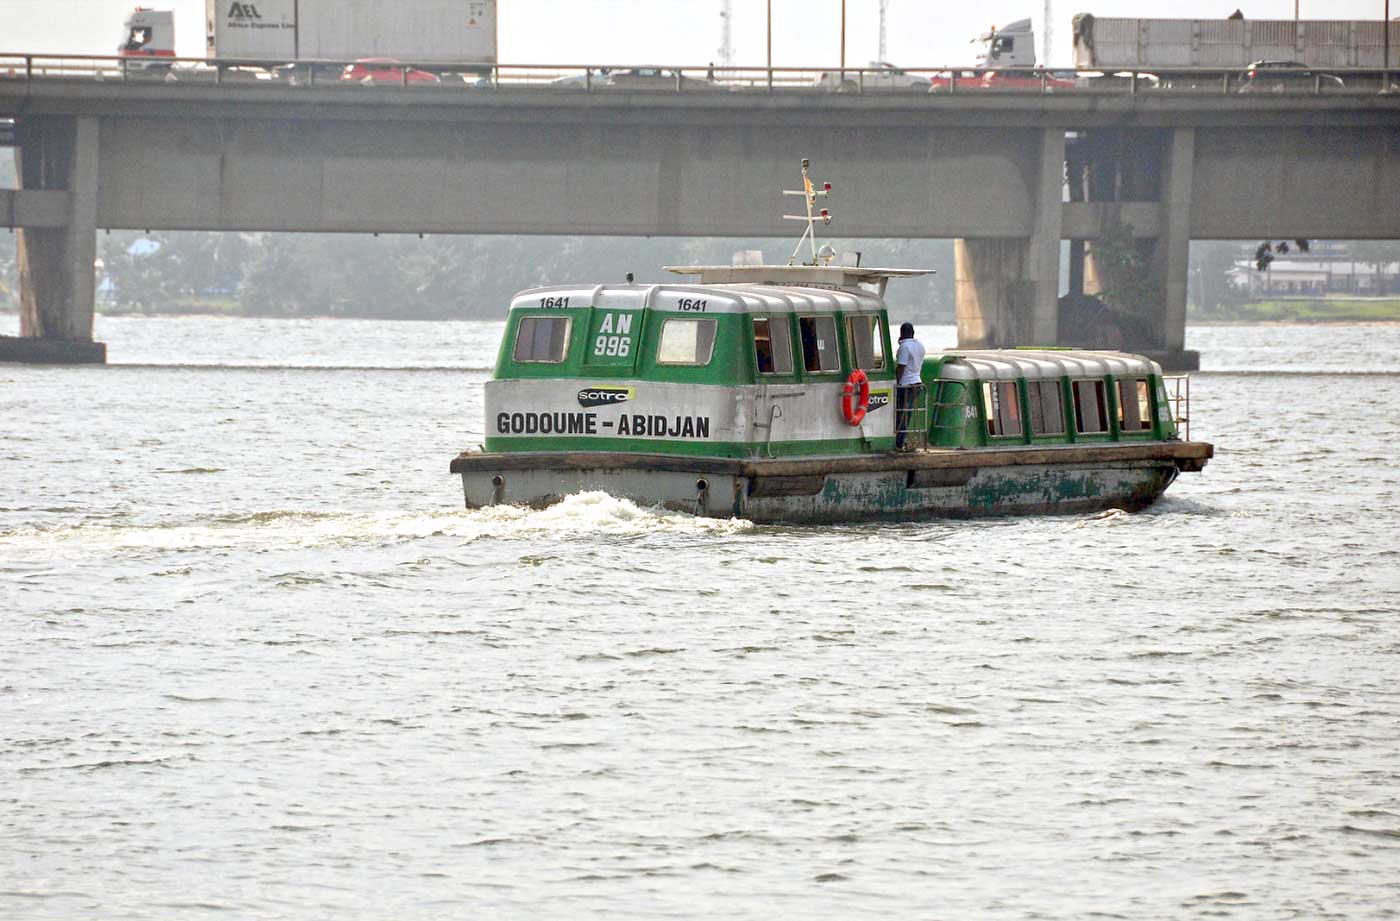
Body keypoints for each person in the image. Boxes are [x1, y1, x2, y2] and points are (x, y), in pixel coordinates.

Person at [894, 321, 925, 451]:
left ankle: (899, 442)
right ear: (913, 333)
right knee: (907, 414)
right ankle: (902, 440)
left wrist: (896, 383)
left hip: (905, 384)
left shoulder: (904, 347)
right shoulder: (920, 346)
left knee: (900, 414)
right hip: (917, 382)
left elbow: (901, 367)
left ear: (901, 334)